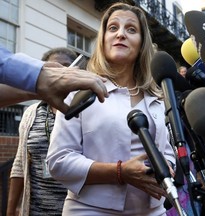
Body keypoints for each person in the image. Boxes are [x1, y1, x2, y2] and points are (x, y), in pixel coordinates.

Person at [46, 3, 175, 215]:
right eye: (113, 28)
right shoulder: (78, 92)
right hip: (90, 210)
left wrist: (166, 167)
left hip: (154, 210)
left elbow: (167, 152)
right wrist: (120, 172)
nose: (121, 34)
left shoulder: (157, 98)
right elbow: (59, 160)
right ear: (103, 40)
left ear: (142, 43)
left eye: (131, 29)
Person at [6, 47, 78, 216]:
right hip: (36, 210)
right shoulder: (31, 113)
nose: (60, 74)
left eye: (66, 66)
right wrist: (10, 210)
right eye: (53, 68)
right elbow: (20, 164)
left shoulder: (84, 111)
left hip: (76, 209)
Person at [0, 46, 108, 113]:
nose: (62, 73)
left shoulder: (88, 108)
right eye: (57, 69)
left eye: (66, 67)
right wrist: (39, 77)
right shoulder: (32, 113)